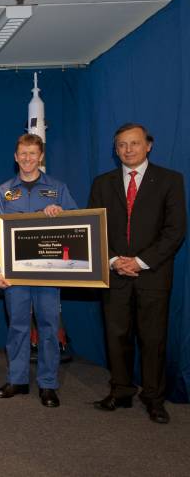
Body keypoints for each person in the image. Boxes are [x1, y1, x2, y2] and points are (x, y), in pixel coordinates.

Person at [88, 123, 186, 424]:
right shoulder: (102, 183)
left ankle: (154, 398)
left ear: (148, 145)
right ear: (115, 149)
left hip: (152, 275)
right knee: (116, 336)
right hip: (115, 273)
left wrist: (141, 261)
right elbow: (94, 227)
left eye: (134, 143)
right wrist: (115, 259)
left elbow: (175, 230)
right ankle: (121, 391)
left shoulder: (170, 180)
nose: (128, 149)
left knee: (153, 339)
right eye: (121, 145)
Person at [0, 133, 77, 408]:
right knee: (17, 326)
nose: (27, 159)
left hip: (48, 273)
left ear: (41, 157)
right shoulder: (4, 191)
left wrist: (61, 211)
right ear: (15, 157)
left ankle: (48, 384)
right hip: (14, 274)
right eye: (22, 154)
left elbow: (78, 225)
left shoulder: (58, 188)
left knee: (49, 327)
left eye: (32, 153)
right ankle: (17, 379)